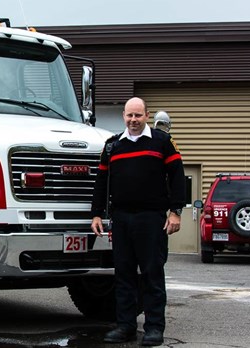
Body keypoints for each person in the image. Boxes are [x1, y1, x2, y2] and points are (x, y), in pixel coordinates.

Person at [91, 97, 185, 346]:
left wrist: (175, 212)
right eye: (129, 116)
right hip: (121, 219)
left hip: (152, 219)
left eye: (138, 115)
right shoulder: (112, 146)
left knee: (152, 273)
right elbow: (101, 182)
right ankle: (125, 326)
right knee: (123, 275)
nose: (133, 120)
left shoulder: (162, 142)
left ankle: (154, 328)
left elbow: (177, 177)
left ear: (147, 115)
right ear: (123, 115)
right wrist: (97, 214)